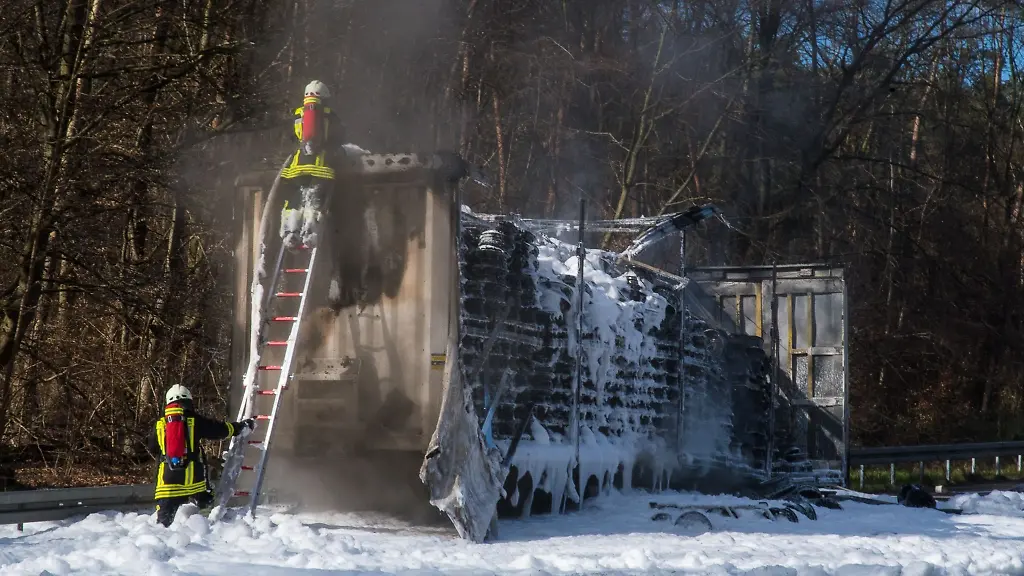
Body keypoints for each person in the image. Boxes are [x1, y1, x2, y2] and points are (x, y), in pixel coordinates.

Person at [147, 384, 255, 527]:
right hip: (194, 480)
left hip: (167, 482)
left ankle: (165, 544)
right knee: (206, 511)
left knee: (163, 525)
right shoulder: (193, 420)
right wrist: (239, 427)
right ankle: (206, 534)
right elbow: (218, 430)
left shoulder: (160, 424)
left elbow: (152, 447)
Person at [279, 79, 346, 250]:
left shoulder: (297, 115)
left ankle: (291, 233)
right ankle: (310, 234)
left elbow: (291, 139)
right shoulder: (330, 115)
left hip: (297, 167)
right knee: (314, 202)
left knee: (295, 201)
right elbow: (338, 139)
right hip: (321, 166)